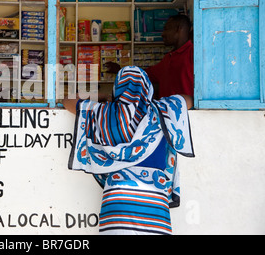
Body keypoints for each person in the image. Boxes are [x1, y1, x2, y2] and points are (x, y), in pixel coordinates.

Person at [63, 66, 194, 235]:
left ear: (117, 88)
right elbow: (189, 99)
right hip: (154, 204)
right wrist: (156, 100)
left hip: (117, 204)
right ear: (147, 88)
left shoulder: (104, 113)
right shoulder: (162, 111)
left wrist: (105, 97)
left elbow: (67, 101)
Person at [106, 14, 194, 99]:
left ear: (179, 29)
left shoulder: (193, 53)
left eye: (166, 29)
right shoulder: (168, 58)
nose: (162, 34)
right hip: (166, 112)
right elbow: (144, 75)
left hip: (189, 112)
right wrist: (120, 70)